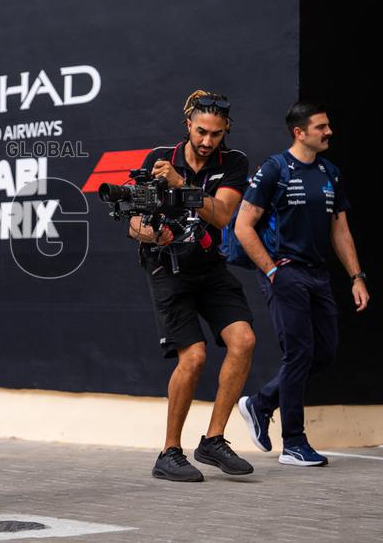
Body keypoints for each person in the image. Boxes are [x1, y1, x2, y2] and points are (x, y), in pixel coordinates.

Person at [128, 91, 256, 481]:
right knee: (194, 356)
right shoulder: (157, 159)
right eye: (201, 131)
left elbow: (221, 216)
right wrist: (153, 236)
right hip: (167, 269)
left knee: (244, 340)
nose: (206, 141)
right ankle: (168, 453)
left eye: (215, 134)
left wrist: (180, 182)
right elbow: (133, 224)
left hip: (210, 267)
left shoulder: (233, 163)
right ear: (188, 125)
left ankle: (213, 440)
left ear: (225, 132)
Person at [235, 102, 369, 466]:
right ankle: (293, 442)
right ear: (300, 132)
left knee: (323, 353)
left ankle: (261, 403)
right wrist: (271, 271)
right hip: (285, 271)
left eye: (328, 125)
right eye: (321, 127)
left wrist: (356, 277)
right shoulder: (274, 170)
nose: (329, 132)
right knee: (298, 353)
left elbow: (340, 230)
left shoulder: (330, 172)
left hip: (318, 273)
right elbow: (243, 227)